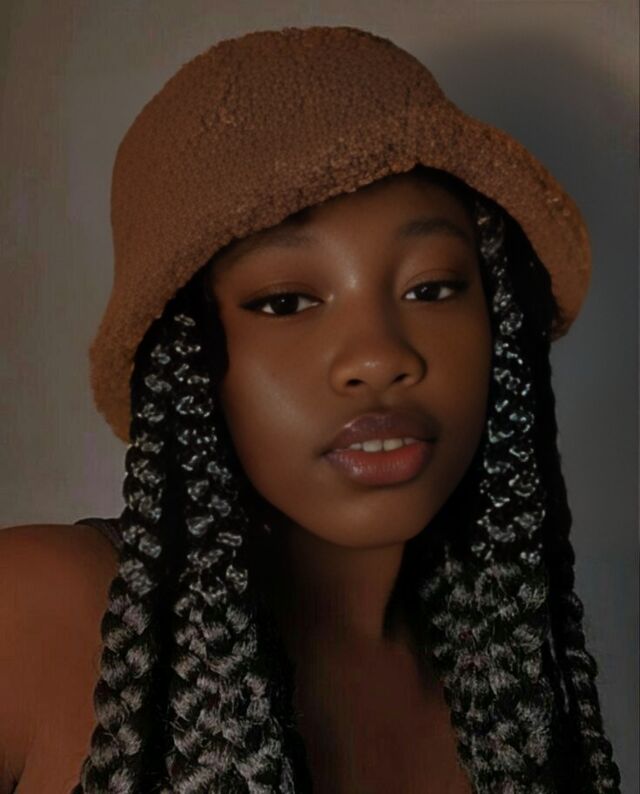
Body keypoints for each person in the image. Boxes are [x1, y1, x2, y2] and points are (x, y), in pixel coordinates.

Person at [0, 25, 622, 794]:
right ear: (184, 361)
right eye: (285, 301)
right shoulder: (38, 612)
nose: (380, 357)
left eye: (431, 288)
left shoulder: (510, 692)